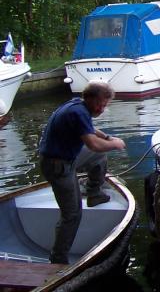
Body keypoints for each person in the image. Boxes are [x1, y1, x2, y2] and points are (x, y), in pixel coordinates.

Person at [38, 81, 126, 264]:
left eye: (104, 105)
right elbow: (92, 143)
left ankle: (94, 193)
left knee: (98, 157)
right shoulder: (77, 112)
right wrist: (114, 144)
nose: (101, 109)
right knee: (72, 214)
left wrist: (107, 137)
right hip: (58, 167)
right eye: (99, 104)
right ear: (90, 98)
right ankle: (58, 259)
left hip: (65, 159)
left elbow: (90, 130)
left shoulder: (78, 106)